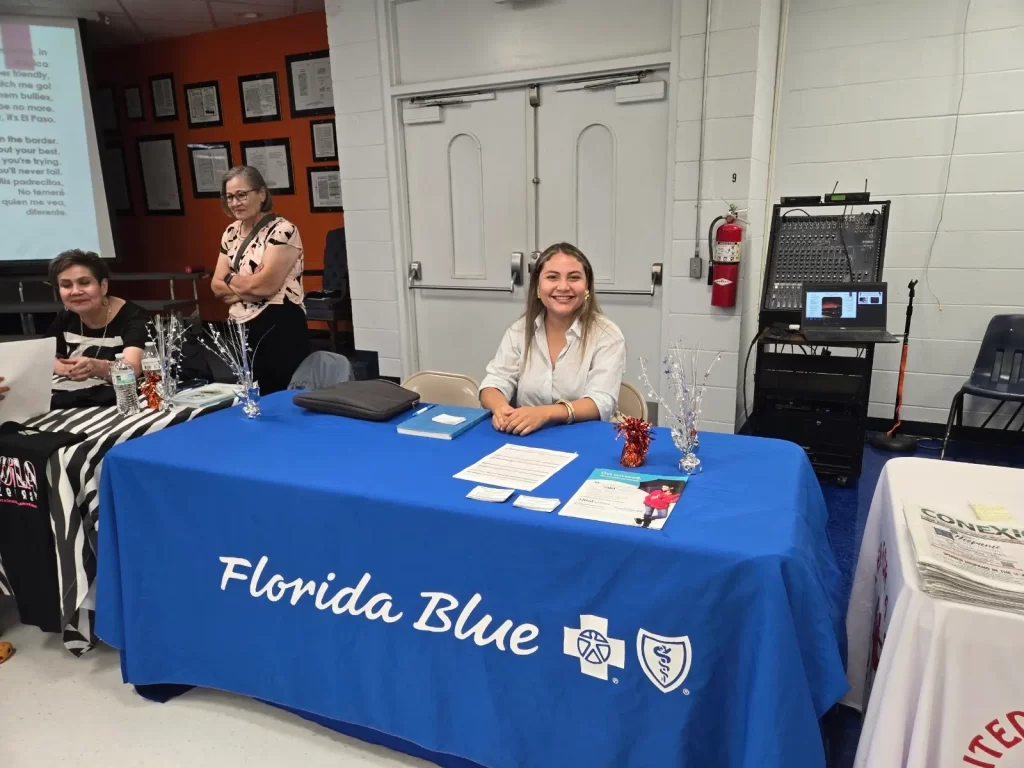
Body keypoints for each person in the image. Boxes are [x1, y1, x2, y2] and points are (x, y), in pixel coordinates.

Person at [479, 242, 626, 436]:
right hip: (527, 435)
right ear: (538, 288)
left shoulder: (608, 335)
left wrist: (544, 413)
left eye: (574, 277)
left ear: (587, 287)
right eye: (552, 277)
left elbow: (601, 402)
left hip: (586, 436)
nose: (563, 287)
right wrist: (501, 409)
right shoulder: (520, 330)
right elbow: (494, 382)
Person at [211, 166, 310, 394]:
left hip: (279, 324)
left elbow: (265, 286)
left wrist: (231, 279)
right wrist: (245, 285)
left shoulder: (283, 230)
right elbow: (216, 286)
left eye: (242, 195)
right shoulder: (231, 233)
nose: (235, 202)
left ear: (262, 194)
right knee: (252, 396)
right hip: (241, 326)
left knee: (284, 397)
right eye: (230, 197)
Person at [47, 250, 148, 381]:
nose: (75, 291)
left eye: (84, 282)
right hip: (74, 393)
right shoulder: (66, 316)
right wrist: (56, 366)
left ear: (103, 286)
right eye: (66, 285)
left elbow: (133, 370)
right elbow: (42, 355)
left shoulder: (134, 317)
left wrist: (97, 367)